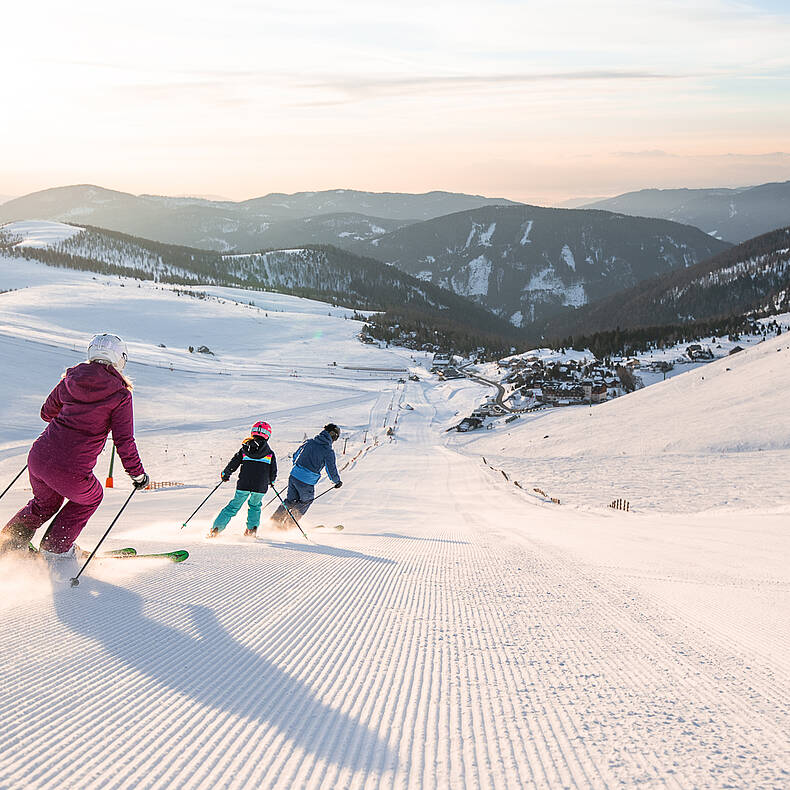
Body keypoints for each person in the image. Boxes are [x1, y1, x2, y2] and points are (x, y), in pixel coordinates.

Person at [0, 333, 149, 562]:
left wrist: (73, 411)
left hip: (39, 457)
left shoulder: (70, 378)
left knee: (44, 505)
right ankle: (55, 549)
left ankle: (7, 545)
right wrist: (138, 475)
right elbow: (124, 441)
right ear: (120, 359)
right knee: (92, 496)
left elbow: (46, 413)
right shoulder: (120, 394)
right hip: (71, 470)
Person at [209, 421, 277, 538]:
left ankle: (216, 529)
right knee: (255, 507)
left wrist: (226, 474)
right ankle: (251, 531)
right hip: (260, 487)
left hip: (244, 484)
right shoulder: (269, 453)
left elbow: (233, 463)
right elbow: (273, 471)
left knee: (233, 507)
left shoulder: (244, 450)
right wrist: (271, 481)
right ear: (268, 435)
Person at [271, 423, 343, 528]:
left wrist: (298, 468)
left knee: (290, 500)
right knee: (306, 501)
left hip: (294, 475)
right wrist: (336, 481)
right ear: (333, 435)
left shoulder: (309, 442)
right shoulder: (328, 451)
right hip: (306, 481)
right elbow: (331, 469)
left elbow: (296, 455)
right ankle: (289, 525)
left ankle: (274, 521)